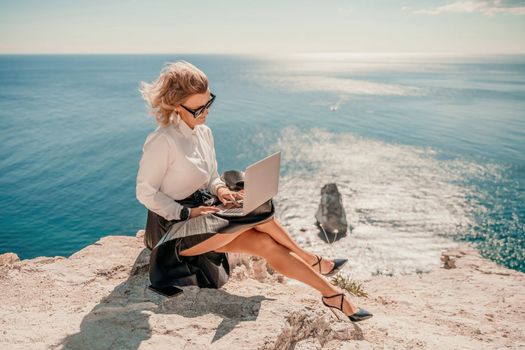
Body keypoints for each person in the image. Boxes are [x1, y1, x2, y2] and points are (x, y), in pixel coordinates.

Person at [136, 60, 372, 322]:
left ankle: (333, 295)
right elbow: (145, 193)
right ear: (177, 106)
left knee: (262, 240)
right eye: (198, 109)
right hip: (171, 229)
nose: (205, 113)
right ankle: (311, 258)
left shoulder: (204, 133)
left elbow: (212, 176)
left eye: (208, 103)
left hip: (204, 214)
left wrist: (222, 190)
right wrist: (186, 212)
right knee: (256, 211)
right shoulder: (162, 141)